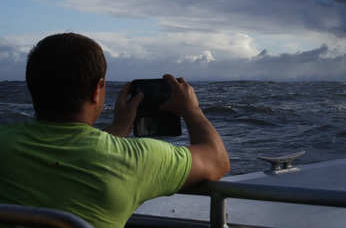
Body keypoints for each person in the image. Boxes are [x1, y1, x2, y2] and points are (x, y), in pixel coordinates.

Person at [0, 33, 230, 228]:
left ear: (31, 86)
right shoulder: (135, 159)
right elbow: (217, 160)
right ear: (97, 90)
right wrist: (192, 110)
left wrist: (118, 128)